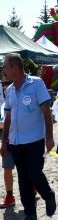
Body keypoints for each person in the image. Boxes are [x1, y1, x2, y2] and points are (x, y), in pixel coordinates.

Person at [0, 53, 56, 220]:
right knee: (23, 178)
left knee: (33, 172)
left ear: (15, 68)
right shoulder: (9, 90)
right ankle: (30, 214)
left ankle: (48, 195)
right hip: (16, 142)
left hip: (34, 139)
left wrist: (49, 137)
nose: (3, 70)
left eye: (5, 67)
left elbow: (46, 111)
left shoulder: (36, 83)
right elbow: (8, 117)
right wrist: (4, 142)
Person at [0, 79, 15, 209]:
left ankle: (32, 187)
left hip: (23, 140)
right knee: (7, 168)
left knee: (26, 169)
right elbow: (2, 124)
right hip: (7, 140)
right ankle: (9, 196)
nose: (6, 88)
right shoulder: (3, 105)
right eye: (4, 85)